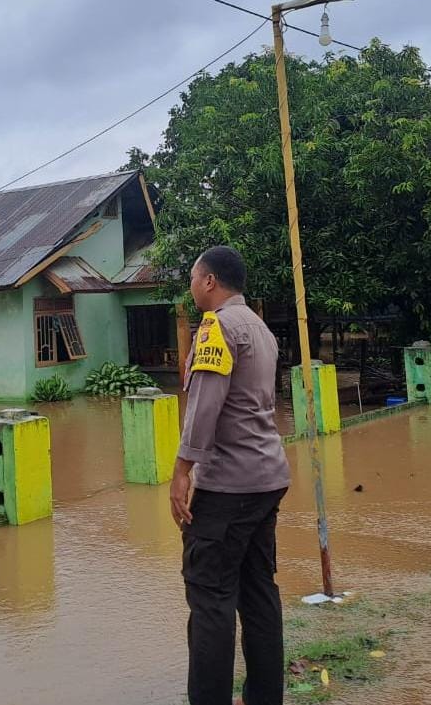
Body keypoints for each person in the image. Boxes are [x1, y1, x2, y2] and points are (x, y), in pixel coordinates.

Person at [170, 245, 291, 705]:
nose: (191, 287)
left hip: (228, 487)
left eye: (192, 278)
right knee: (258, 590)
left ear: (209, 281)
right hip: (267, 477)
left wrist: (182, 470)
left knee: (210, 597)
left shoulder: (216, 328)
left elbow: (205, 405)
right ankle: (264, 696)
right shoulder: (260, 328)